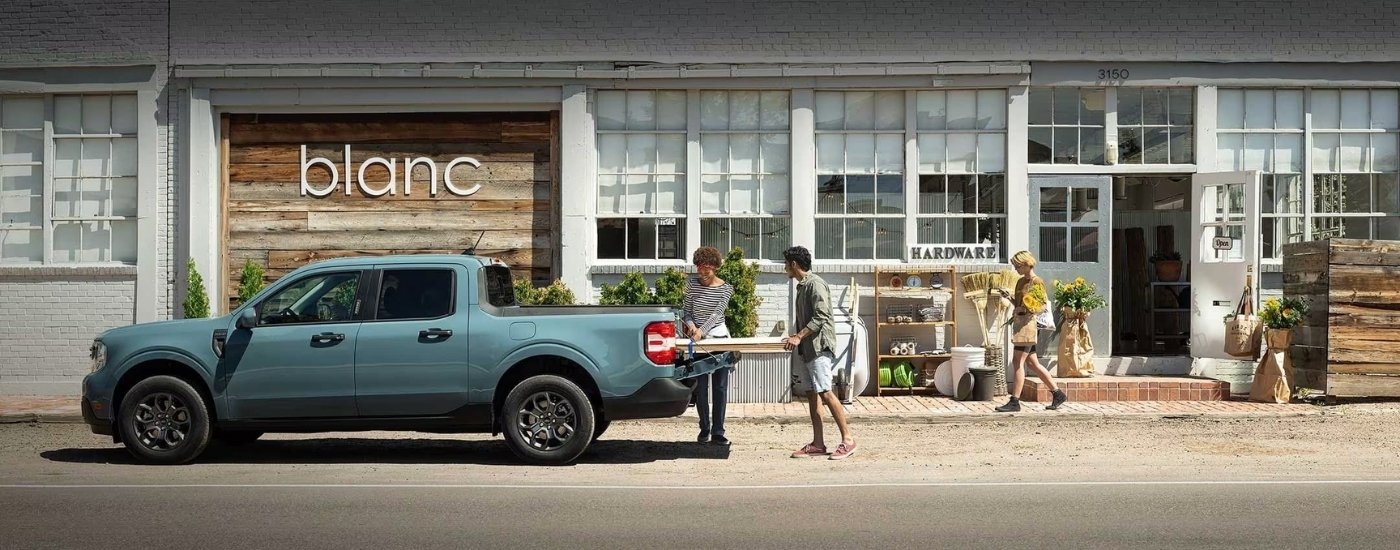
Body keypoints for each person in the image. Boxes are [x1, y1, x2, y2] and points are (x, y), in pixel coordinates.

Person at [782, 246, 857, 460]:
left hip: (819, 347)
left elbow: (821, 316)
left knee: (825, 391)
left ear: (794, 264)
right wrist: (796, 336)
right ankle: (818, 443)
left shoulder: (815, 284)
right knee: (812, 394)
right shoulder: (802, 286)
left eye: (786, 263)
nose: (785, 268)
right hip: (808, 348)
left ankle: (848, 440)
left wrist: (798, 336)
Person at [996, 250, 1068, 412]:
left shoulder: (1037, 282)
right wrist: (1010, 298)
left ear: (1027, 264)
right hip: (1021, 324)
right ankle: (1057, 393)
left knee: (1017, 362)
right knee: (1032, 363)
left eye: (1018, 266)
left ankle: (1015, 401)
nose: (1016, 269)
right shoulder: (1020, 282)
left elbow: (1042, 305)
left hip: (1028, 326)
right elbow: (1019, 305)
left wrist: (1026, 309)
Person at [682, 246, 736, 446]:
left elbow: (716, 315)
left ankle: (718, 431)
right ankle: (704, 428)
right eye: (699, 268)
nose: (702, 273)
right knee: (701, 387)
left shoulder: (726, 288)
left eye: (707, 269)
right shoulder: (691, 285)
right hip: (697, 340)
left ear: (715, 268)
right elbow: (687, 311)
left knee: (720, 387)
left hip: (718, 338)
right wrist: (691, 326)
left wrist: (701, 331)